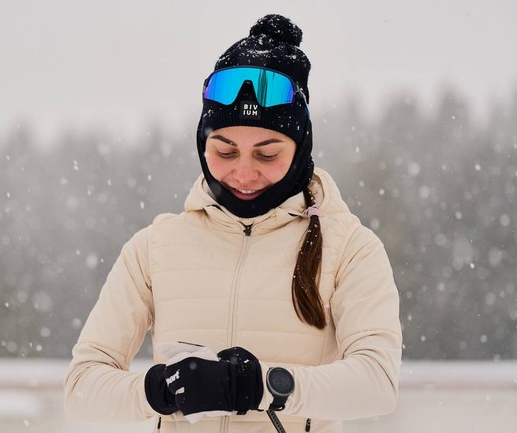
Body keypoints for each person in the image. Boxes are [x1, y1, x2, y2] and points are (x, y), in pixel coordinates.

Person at [64, 14, 402, 433]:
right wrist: (161, 391)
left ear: (301, 150)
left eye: (267, 154)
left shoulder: (350, 247)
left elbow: (378, 382)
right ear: (202, 145)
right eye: (224, 152)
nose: (243, 174)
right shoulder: (154, 248)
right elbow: (81, 388)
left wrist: (260, 386)